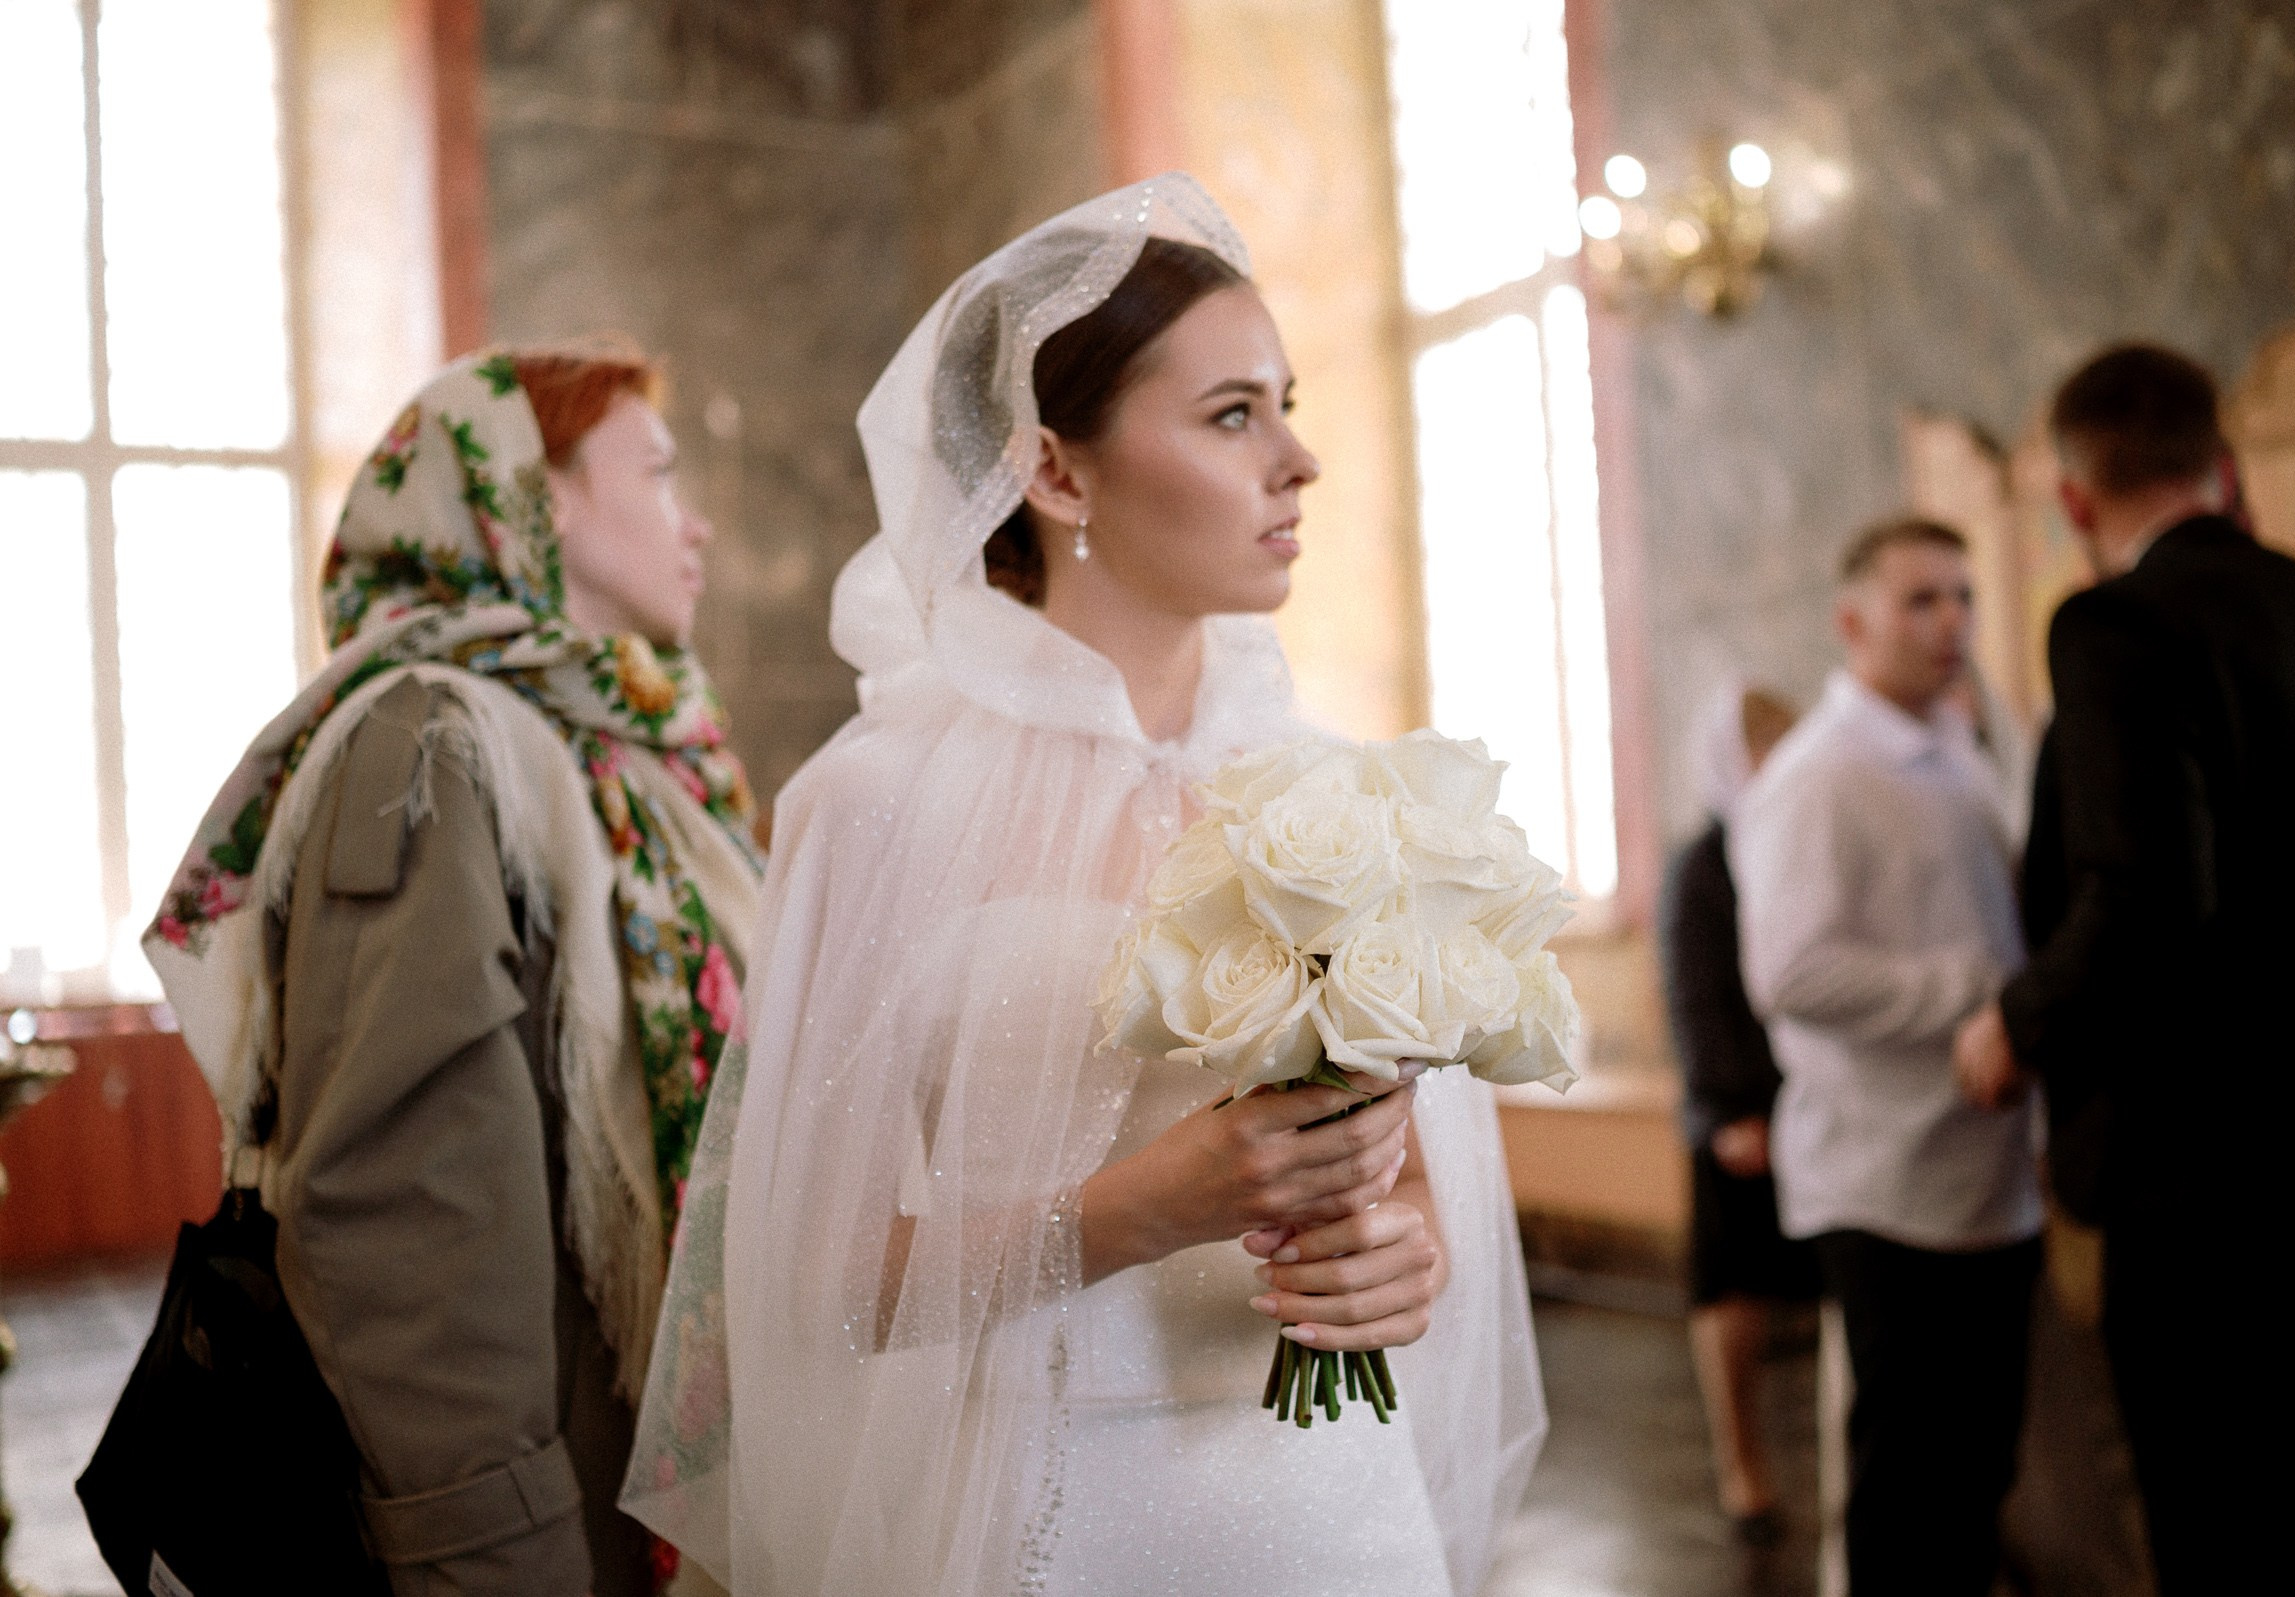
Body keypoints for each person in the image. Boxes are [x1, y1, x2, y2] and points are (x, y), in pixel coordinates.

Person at [621, 175, 1545, 1597]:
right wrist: (1136, 1212)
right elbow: (809, 1277)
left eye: (1286, 404)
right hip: (1049, 1514)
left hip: (1334, 1515)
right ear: (1056, 472)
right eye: (1234, 414)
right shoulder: (875, 804)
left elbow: (1409, 1173)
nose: (1298, 459)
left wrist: (1403, 1255)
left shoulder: (1341, 797)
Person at [143, 347, 762, 1596]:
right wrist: (494, 1561)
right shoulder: (430, 740)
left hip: (654, 1476)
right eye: (656, 470)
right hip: (546, 1525)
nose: (694, 521)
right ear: (534, 498)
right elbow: (402, 1211)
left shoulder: (636, 758)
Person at [1953, 343, 2295, 1593]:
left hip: (2208, 1189)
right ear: (2228, 469)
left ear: (2075, 502)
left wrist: (2017, 1023)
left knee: (2225, 1523)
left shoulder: (2116, 626)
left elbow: (2144, 893)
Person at [1730, 517, 2042, 1597]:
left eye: (1964, 595)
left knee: (1978, 1471)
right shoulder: (1820, 773)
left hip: (1992, 1166)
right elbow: (1793, 974)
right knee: (1907, 1488)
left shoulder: (1962, 743)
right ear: (1852, 619)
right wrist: (1982, 990)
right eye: (1923, 599)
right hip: (1885, 1177)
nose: (1954, 620)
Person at [1661, 683, 1816, 1544]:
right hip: (1741, 1108)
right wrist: (1728, 1109)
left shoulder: (1799, 840)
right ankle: (1742, 1462)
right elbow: (1694, 995)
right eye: (1763, 745)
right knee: (1737, 1289)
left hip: (1813, 1100)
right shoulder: (1702, 862)